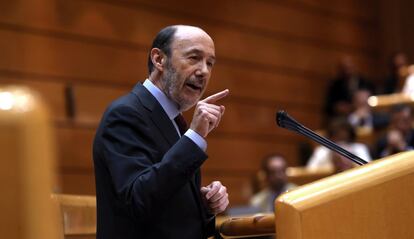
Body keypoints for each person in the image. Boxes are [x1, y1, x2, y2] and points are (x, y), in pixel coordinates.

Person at [93, 25, 230, 239]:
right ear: (159, 60)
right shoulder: (125, 114)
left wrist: (202, 204)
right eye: (194, 58)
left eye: (210, 63)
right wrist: (194, 138)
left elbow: (163, 198)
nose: (204, 71)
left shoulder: (172, 119)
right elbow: (137, 199)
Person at [307, 118, 372, 172]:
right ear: (331, 136)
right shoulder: (322, 151)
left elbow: (369, 169)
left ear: (350, 135)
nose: (341, 136)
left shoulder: (359, 148)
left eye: (344, 137)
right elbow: (310, 172)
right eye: (337, 135)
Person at [324, 56, 374, 120]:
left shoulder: (365, 83)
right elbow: (329, 106)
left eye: (349, 68)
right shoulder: (335, 85)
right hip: (341, 118)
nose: (347, 71)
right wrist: (338, 107)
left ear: (354, 67)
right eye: (344, 69)